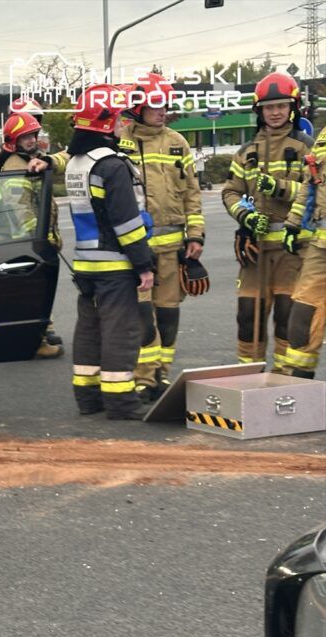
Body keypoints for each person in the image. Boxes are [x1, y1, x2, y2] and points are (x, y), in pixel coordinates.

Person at [65, 84, 155, 420]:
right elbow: (126, 223)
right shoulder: (112, 165)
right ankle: (121, 402)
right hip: (115, 265)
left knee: (88, 331)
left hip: (85, 263)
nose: (122, 125)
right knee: (120, 332)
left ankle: (88, 398)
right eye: (118, 119)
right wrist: (144, 265)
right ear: (104, 123)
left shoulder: (76, 163)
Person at [118, 72, 208, 402]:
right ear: (137, 107)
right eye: (155, 104)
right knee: (143, 319)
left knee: (168, 315)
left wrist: (195, 235)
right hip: (137, 251)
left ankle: (162, 375)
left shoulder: (177, 142)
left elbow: (192, 192)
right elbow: (80, 157)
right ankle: (144, 378)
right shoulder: (120, 141)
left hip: (172, 249)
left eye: (164, 104)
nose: (162, 111)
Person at [222, 72, 313, 370]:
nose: (275, 112)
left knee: (287, 316)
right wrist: (245, 217)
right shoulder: (246, 151)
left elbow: (316, 191)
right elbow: (231, 192)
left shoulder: (306, 148)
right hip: (255, 249)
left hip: (293, 249)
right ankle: (249, 375)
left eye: (282, 106)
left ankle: (282, 378)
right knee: (248, 315)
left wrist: (279, 188)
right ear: (259, 111)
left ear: (293, 108)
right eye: (269, 107)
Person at [0, 96, 66, 358]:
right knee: (25, 286)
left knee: (29, 286)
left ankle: (42, 329)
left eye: (36, 123)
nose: (33, 130)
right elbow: (16, 203)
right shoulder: (5, 158)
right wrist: (38, 238)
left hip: (18, 229)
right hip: (10, 231)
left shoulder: (33, 154)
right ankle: (30, 336)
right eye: (27, 128)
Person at [281, 125, 326, 377]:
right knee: (303, 315)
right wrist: (292, 223)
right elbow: (310, 184)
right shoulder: (324, 137)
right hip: (321, 248)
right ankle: (299, 384)